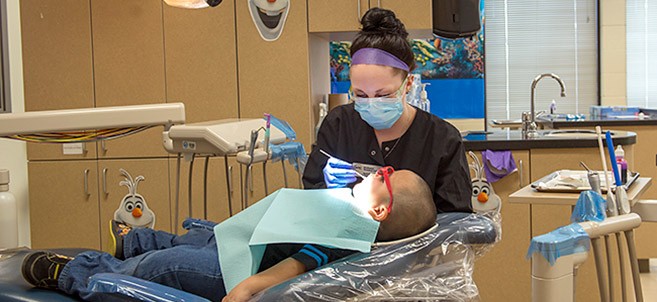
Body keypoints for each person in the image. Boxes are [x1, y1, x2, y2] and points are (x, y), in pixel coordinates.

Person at [21, 169, 437, 302]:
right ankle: (135, 240)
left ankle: (79, 271)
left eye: (382, 176)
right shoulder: (348, 210)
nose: (376, 171)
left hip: (237, 271)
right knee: (200, 236)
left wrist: (248, 287)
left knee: (165, 267)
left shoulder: (346, 233)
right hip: (242, 244)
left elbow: (299, 263)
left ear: (380, 210)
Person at [303, 7, 472, 214]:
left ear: (408, 83)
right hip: (345, 244)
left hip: (421, 247)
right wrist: (327, 189)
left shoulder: (442, 139)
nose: (371, 103)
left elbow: (456, 221)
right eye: (361, 95)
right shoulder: (339, 125)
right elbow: (310, 197)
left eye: (383, 95)